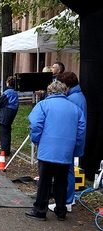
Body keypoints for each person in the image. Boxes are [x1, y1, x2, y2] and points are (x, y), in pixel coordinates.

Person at [25, 81, 86, 221]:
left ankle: (40, 210)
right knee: (61, 181)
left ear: (49, 91)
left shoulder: (43, 105)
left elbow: (35, 124)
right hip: (66, 151)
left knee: (44, 181)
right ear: (65, 91)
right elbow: (81, 131)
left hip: (47, 149)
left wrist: (36, 140)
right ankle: (61, 210)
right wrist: (75, 148)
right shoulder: (75, 108)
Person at [48, 72, 87, 213]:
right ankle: (67, 199)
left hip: (68, 140)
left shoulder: (73, 99)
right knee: (67, 170)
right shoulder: (77, 96)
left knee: (67, 171)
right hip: (72, 140)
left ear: (68, 86)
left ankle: (66, 201)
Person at [0, 76, 19, 156]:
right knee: (7, 130)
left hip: (6, 113)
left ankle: (4, 150)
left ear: (7, 83)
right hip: (11, 112)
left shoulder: (8, 92)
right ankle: (6, 149)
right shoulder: (14, 92)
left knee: (3, 131)